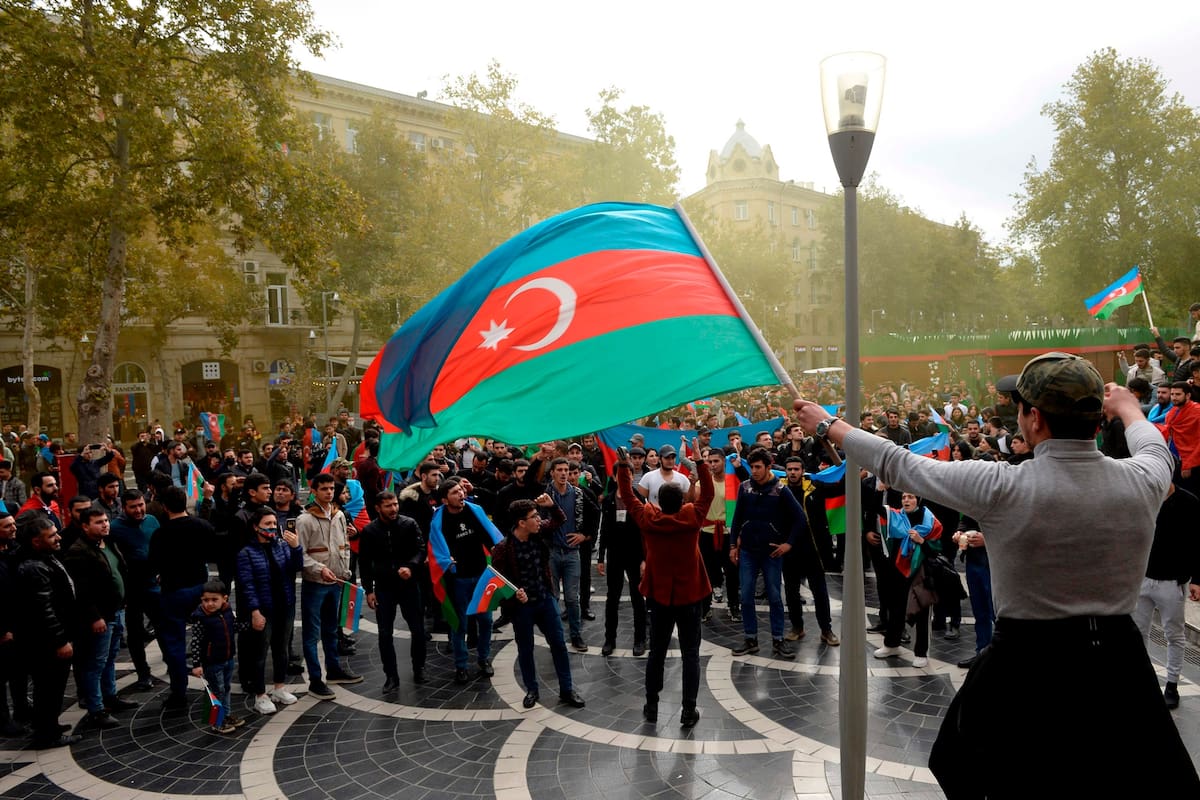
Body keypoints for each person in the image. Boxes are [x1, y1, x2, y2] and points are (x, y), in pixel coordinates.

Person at [794, 351, 1200, 796]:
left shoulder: (1002, 484)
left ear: (1035, 420)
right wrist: (1129, 408)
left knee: (973, 765)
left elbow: (898, 464)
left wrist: (826, 424)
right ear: (1096, 419)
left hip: (1027, 661)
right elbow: (1154, 445)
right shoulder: (1143, 479)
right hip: (1118, 663)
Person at [616, 448, 713, 727]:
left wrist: (624, 466)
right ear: (682, 500)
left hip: (659, 596)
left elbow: (628, 495)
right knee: (691, 654)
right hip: (690, 595)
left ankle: (652, 705)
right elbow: (707, 495)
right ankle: (688, 709)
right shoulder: (692, 517)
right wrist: (699, 462)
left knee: (656, 652)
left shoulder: (649, 518)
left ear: (659, 502)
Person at [491, 497, 584, 709]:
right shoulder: (503, 549)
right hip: (522, 608)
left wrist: (552, 505)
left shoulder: (539, 534)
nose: (539, 520)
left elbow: (560, 520)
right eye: (534, 517)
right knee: (526, 649)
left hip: (545, 599)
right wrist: (515, 594)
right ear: (521, 523)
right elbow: (498, 582)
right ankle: (532, 689)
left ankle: (567, 689)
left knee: (559, 645)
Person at [64, 508, 138, 731]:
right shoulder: (78, 551)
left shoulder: (109, 542)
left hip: (116, 611)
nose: (105, 525)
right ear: (85, 526)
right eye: (99, 522)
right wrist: (95, 617)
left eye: (106, 520)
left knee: (109, 659)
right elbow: (82, 591)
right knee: (95, 663)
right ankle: (96, 709)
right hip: (100, 617)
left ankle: (110, 696)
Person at [1132, 476, 1200, 709]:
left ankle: (1172, 684)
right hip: (1142, 578)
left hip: (1172, 582)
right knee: (1138, 632)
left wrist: (1196, 580)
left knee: (1174, 635)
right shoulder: (1145, 498)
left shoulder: (1189, 502)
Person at [13, 512, 80, 748]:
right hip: (46, 642)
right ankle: (46, 733)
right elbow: (45, 610)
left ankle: (49, 724)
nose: (58, 538)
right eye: (51, 536)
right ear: (36, 542)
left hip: (49, 638)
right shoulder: (34, 567)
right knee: (48, 687)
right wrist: (61, 640)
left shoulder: (46, 558)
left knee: (52, 687)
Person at [428, 478, 503, 682]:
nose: (461, 494)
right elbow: (435, 548)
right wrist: (446, 561)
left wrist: (498, 551)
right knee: (459, 624)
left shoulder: (473, 510)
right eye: (454, 492)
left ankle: (483, 659)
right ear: (445, 500)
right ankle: (461, 665)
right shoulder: (438, 521)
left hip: (480, 575)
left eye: (461, 490)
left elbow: (489, 536)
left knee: (486, 620)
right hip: (457, 578)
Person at [728, 449, 800, 660]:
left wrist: (788, 544)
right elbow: (737, 518)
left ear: (769, 467)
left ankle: (778, 639)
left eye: (759, 467)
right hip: (749, 551)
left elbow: (800, 519)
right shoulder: (745, 487)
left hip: (771, 553)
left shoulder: (781, 490)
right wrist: (733, 545)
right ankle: (750, 638)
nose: (754, 471)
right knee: (747, 596)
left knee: (775, 597)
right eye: (752, 467)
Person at [297, 472, 362, 700]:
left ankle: (333, 669)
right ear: (313, 491)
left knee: (332, 629)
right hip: (316, 583)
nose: (329, 492)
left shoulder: (340, 515)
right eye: (324, 489)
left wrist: (344, 572)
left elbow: (342, 546)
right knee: (312, 633)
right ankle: (315, 679)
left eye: (331, 489)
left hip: (336, 581)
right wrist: (318, 569)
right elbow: (300, 555)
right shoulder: (304, 520)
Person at [150, 487, 214, 708]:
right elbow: (212, 552)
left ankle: (179, 692)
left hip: (173, 591)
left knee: (174, 644)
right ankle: (215, 685)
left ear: (165, 507)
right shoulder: (202, 526)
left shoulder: (161, 533)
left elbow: (154, 562)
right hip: (201, 588)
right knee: (210, 636)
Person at [236, 507, 303, 714]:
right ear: (256, 527)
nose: (272, 528)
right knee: (260, 653)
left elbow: (296, 567)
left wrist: (296, 547)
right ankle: (260, 694)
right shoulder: (246, 553)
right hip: (264, 609)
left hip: (285, 605)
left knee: (281, 649)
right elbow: (246, 585)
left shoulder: (282, 546)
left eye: (274, 524)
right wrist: (255, 611)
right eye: (267, 524)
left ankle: (279, 688)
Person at [359, 491, 427, 690]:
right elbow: (364, 562)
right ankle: (391, 675)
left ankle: (419, 667)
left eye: (395, 504)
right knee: (384, 633)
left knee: (418, 629)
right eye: (388, 506)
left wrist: (411, 566)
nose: (394, 509)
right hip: (384, 587)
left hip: (409, 584)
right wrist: (368, 590)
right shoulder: (370, 531)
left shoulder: (409, 524)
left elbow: (421, 549)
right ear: (378, 508)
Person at [188, 579, 245, 734]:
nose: (210, 604)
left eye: (214, 600)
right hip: (212, 662)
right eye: (206, 600)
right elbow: (196, 642)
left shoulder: (226, 612)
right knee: (215, 691)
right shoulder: (201, 618)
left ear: (224, 599)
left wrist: (248, 626)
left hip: (227, 659)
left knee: (225, 688)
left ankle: (225, 715)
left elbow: (233, 627)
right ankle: (215, 721)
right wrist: (197, 664)